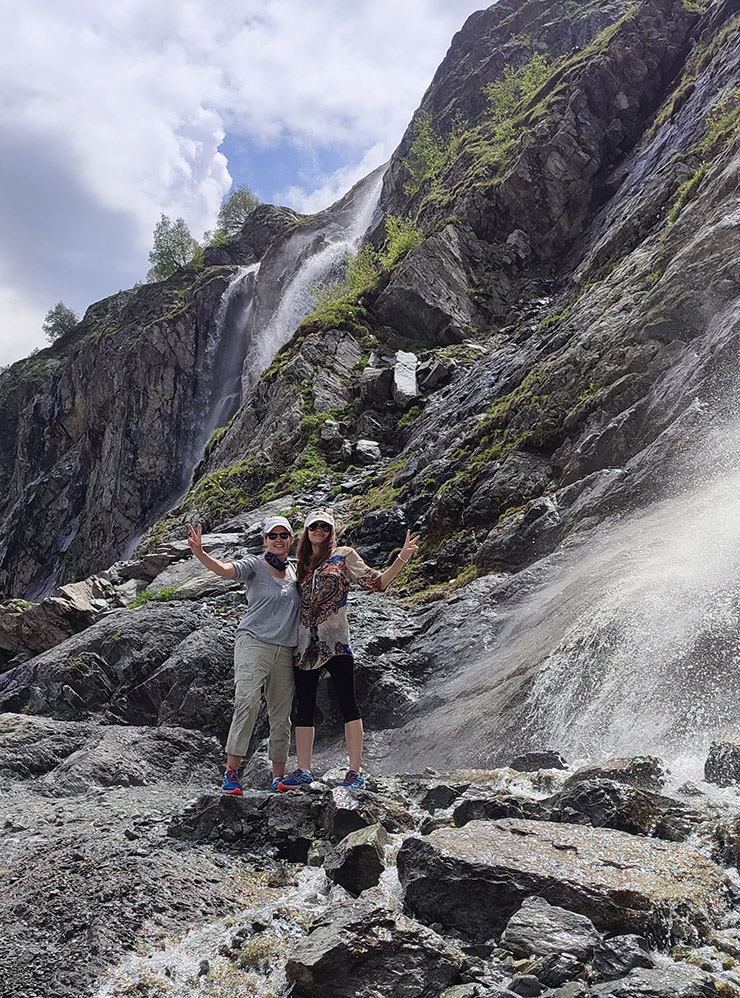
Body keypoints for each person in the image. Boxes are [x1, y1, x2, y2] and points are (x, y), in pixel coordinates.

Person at [278, 509, 420, 792]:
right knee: (304, 707)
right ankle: (304, 770)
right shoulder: (302, 565)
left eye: (325, 526)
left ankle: (355, 770)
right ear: (306, 532)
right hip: (305, 646)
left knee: (348, 704)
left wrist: (402, 557)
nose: (320, 530)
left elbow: (377, 583)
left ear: (332, 531)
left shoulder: (344, 556)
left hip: (337, 644)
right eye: (314, 526)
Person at [187, 516, 300, 795]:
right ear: (264, 540)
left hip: (285, 648)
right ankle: (231, 773)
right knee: (247, 701)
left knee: (281, 714)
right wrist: (200, 553)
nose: (277, 539)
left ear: (291, 539)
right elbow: (226, 570)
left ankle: (279, 777)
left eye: (283, 535)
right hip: (253, 642)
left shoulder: (296, 572)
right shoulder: (254, 564)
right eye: (272, 535)